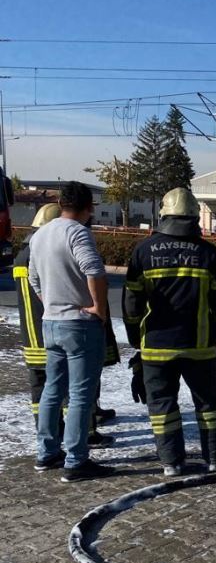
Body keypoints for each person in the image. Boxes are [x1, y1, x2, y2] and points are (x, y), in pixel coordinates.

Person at [123, 187, 216, 476]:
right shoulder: (209, 253)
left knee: (162, 405)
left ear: (164, 216)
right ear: (195, 217)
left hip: (156, 347)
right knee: (208, 402)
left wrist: (135, 338)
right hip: (200, 345)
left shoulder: (143, 251)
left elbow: (131, 303)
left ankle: (171, 462)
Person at [28, 182, 114, 482]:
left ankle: (47, 452)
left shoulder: (40, 235)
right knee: (80, 394)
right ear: (88, 207)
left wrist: (51, 303)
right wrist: (98, 308)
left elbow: (34, 279)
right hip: (79, 324)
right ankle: (76, 461)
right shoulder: (78, 233)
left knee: (52, 389)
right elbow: (94, 271)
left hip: (51, 323)